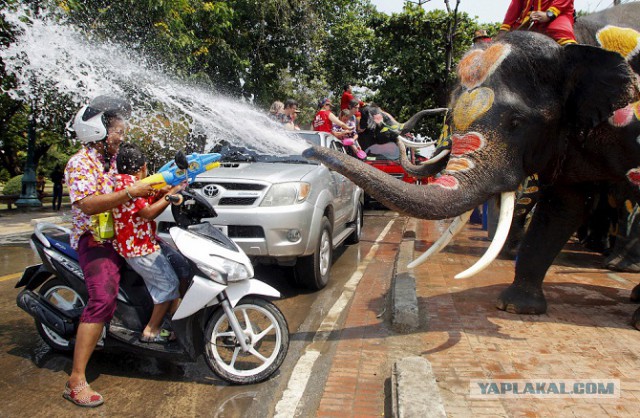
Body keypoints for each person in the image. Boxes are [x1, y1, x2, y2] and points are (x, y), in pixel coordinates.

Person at [63, 96, 157, 407]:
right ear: (97, 132)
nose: (122, 136)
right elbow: (87, 204)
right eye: (117, 130)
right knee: (102, 298)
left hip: (121, 237)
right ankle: (76, 379)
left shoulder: (114, 161)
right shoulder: (80, 163)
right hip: (94, 240)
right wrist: (129, 191)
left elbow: (138, 184)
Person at [112, 143, 184, 343]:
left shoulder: (124, 181)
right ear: (143, 167)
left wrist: (162, 193)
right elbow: (147, 213)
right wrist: (170, 196)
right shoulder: (130, 185)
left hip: (141, 245)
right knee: (169, 285)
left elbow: (145, 202)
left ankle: (173, 323)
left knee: (176, 275)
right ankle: (151, 330)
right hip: (139, 249)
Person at [500, 0, 576, 45]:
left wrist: (549, 14)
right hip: (528, 19)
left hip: (557, 15)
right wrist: (505, 28)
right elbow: (515, 7)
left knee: (561, 33)